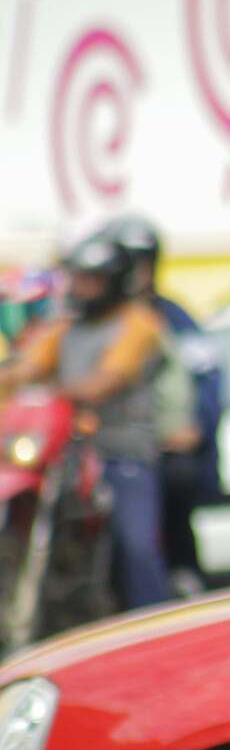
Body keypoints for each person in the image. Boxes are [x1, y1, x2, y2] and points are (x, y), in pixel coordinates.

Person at [0, 233, 169, 612]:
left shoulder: (138, 323)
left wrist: (55, 389)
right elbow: (25, 368)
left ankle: (152, 612)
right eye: (78, 278)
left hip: (119, 452)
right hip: (65, 453)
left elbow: (106, 381)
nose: (81, 288)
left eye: (91, 279)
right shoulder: (63, 328)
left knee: (135, 543)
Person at [107, 216, 223, 594]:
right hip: (110, 453)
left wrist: (196, 426)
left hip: (160, 451)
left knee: (176, 486)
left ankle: (182, 577)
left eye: (144, 262)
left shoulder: (173, 318)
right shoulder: (97, 321)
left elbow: (206, 378)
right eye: (129, 262)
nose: (138, 273)